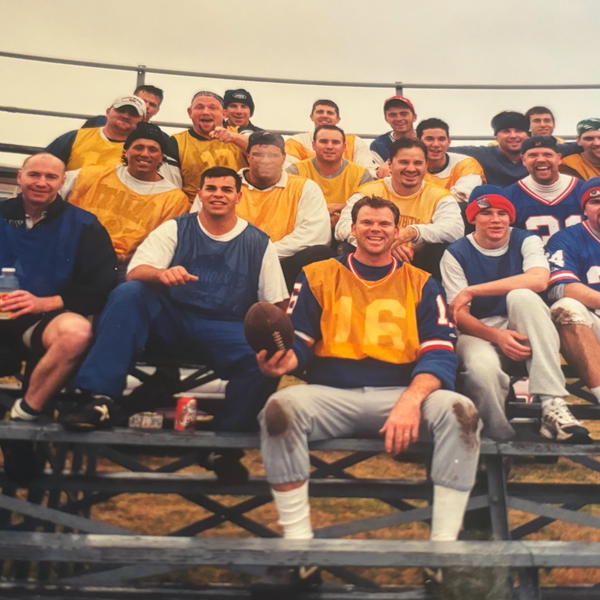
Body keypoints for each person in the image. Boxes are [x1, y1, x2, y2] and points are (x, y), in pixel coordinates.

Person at [256, 196, 480, 589]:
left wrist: (411, 401)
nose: (375, 230)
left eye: (383, 224)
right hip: (333, 393)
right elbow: (302, 341)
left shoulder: (422, 282)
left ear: (397, 231)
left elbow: (440, 353)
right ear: (352, 229)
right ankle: (299, 554)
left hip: (402, 392)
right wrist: (283, 361)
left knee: (461, 411)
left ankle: (442, 556)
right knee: (279, 408)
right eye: (367, 223)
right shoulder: (316, 274)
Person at [60, 166, 288, 437]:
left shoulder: (259, 242)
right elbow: (136, 270)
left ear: (239, 196)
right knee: (129, 293)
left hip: (223, 325)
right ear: (200, 193)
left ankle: (228, 441)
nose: (218, 195)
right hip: (171, 320)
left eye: (226, 189)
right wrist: (162, 273)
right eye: (211, 188)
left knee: (265, 354)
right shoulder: (176, 228)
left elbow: (275, 303)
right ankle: (100, 399)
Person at [440, 186, 590, 443]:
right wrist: (496, 336)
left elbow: (539, 280)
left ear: (511, 217)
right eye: (487, 213)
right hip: (480, 329)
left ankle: (552, 403)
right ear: (472, 217)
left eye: (502, 213)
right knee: (482, 369)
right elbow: (460, 315)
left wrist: (474, 290)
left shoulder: (525, 239)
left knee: (521, 295)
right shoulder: (455, 252)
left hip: (524, 324)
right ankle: (499, 438)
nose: (496, 219)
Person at [0, 153, 117, 480]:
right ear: (20, 177)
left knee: (77, 332)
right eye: (34, 174)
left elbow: (102, 283)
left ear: (62, 182)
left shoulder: (84, 224)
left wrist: (45, 302)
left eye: (50, 177)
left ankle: (22, 417)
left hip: (42, 317)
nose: (41, 182)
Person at [61, 123, 190, 274]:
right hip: (70, 253)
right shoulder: (89, 176)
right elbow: (50, 191)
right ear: (126, 151)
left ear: (162, 157)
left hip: (121, 268)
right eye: (138, 147)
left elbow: (162, 247)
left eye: (153, 149)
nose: (145, 154)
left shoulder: (175, 200)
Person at [336, 138, 464, 278]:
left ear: (426, 166)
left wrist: (413, 232)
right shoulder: (367, 191)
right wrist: (384, 243)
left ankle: (432, 295)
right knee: (347, 248)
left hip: (417, 261)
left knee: (440, 249)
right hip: (373, 260)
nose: (411, 168)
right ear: (390, 164)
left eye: (418, 163)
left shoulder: (441, 196)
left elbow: (455, 230)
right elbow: (342, 227)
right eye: (404, 162)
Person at [234, 131, 332, 290]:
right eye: (258, 154)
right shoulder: (226, 185)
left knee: (321, 254)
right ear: (248, 157)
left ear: (284, 158)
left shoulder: (305, 187)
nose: (266, 161)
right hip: (235, 260)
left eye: (273, 155)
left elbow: (315, 234)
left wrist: (264, 253)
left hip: (282, 261)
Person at [547, 177, 600, 405]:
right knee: (565, 308)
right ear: (584, 209)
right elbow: (563, 287)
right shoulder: (566, 238)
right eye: (596, 201)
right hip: (592, 320)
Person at [287, 125, 372, 228]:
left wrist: (339, 208)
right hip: (305, 228)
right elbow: (288, 206)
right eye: (323, 141)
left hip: (346, 228)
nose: (329, 146)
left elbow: (368, 207)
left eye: (335, 142)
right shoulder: (295, 171)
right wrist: (323, 212)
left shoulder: (361, 174)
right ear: (313, 145)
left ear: (344, 147)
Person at [504, 136, 584, 242]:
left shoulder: (584, 190)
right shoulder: (509, 196)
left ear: (559, 158)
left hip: (580, 258)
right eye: (533, 155)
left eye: (547, 154)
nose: (541, 159)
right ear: (523, 160)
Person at [172, 91, 247, 199]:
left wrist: (234, 138)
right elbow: (172, 188)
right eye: (199, 107)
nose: (205, 112)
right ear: (190, 112)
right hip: (193, 207)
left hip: (236, 204)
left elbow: (263, 150)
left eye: (212, 108)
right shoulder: (176, 141)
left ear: (224, 113)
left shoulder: (240, 132)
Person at [45, 95, 146, 171]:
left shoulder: (144, 151)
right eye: (121, 110)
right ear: (108, 111)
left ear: (143, 120)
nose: (125, 116)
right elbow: (43, 165)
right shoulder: (75, 137)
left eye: (133, 113)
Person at [284, 99, 375, 172]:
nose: (324, 115)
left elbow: (366, 171)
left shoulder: (355, 142)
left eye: (330, 113)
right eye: (320, 112)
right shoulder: (295, 142)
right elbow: (291, 173)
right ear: (311, 117)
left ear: (338, 119)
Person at [450, 111, 530, 186]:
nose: (513, 136)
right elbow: (445, 150)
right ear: (496, 136)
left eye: (518, 131)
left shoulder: (538, 156)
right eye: (506, 131)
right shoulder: (483, 154)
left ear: (527, 135)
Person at [416, 117, 484, 202]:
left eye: (441, 139)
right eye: (429, 139)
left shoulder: (466, 163)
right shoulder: (410, 166)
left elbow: (462, 198)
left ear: (449, 141)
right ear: (418, 141)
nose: (436, 144)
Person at [370, 95, 417, 174]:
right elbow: (377, 175)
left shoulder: (427, 139)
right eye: (393, 115)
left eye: (404, 114)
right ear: (386, 119)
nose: (399, 118)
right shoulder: (378, 145)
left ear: (414, 117)